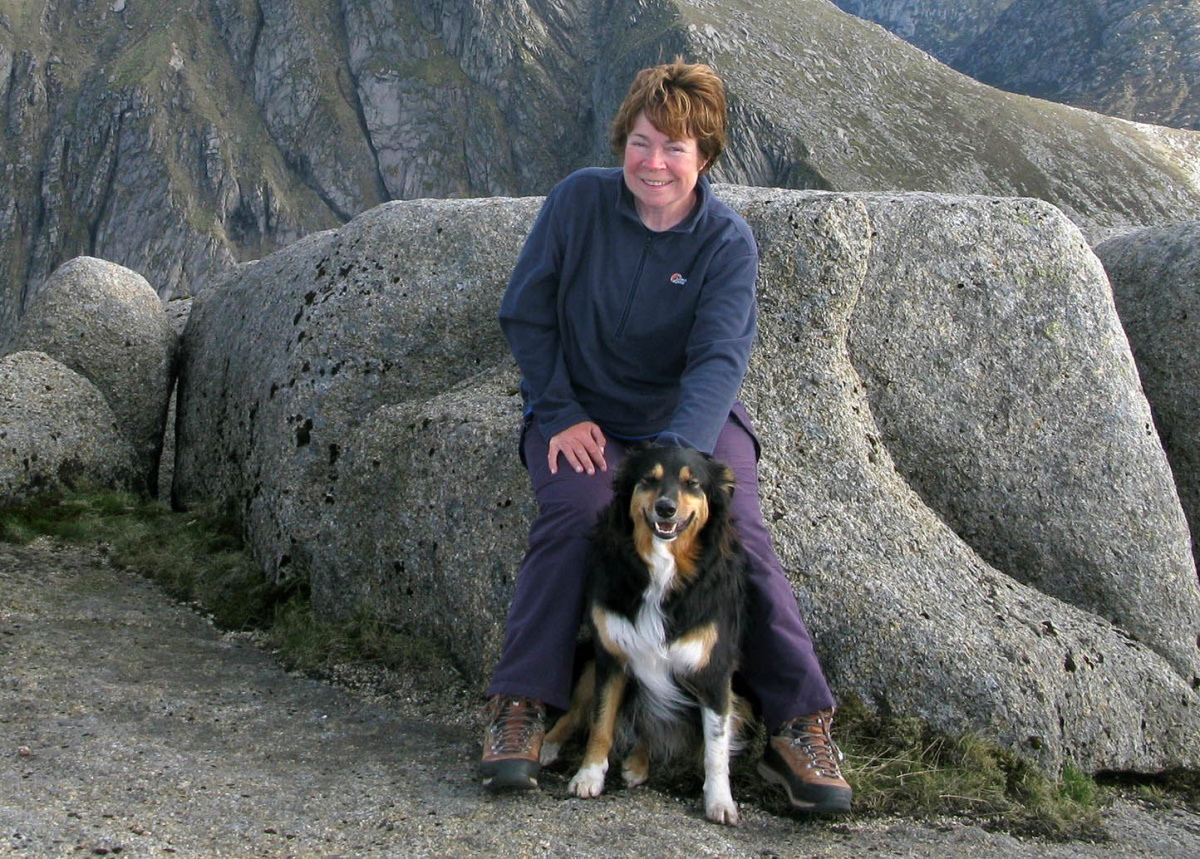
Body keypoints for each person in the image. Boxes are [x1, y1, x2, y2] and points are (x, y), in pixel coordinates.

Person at [480, 58, 852, 815]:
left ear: (704, 157)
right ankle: (521, 703)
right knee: (576, 512)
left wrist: (674, 465)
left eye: (675, 148)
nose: (654, 163)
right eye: (641, 142)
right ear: (623, 141)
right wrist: (558, 410)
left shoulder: (725, 242)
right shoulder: (578, 203)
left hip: (689, 426)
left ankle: (797, 723)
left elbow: (719, 359)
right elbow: (527, 311)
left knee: (735, 530)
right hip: (581, 414)